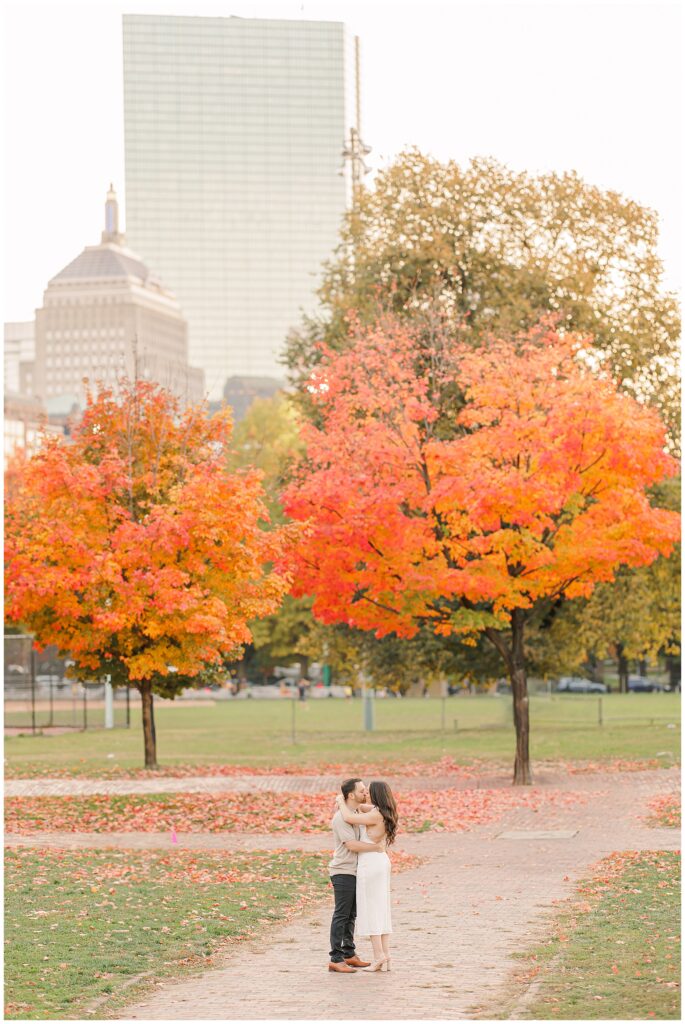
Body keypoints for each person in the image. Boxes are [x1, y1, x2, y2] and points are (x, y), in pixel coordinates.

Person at [335, 779, 398, 973]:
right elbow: (360, 806)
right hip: (381, 861)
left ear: (377, 794)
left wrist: (340, 801)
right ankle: (386, 955)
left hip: (370, 863)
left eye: (369, 791)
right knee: (381, 908)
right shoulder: (384, 811)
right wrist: (352, 798)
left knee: (370, 909)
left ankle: (378, 956)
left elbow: (348, 817)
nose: (366, 794)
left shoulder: (374, 815)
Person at [328, 778, 385, 973]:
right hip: (343, 871)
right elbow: (351, 845)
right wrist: (376, 848)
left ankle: (349, 954)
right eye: (362, 791)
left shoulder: (355, 811)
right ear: (351, 795)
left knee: (351, 915)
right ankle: (336, 958)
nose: (365, 793)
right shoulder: (340, 818)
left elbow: (379, 808)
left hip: (356, 871)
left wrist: (342, 802)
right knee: (342, 914)